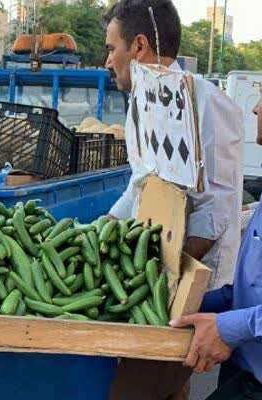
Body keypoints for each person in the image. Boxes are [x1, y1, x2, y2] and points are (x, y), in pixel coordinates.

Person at [102, 1, 244, 399]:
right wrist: (103, 231)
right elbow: (140, 184)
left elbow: (214, 216)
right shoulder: (141, 105)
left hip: (198, 282)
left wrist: (157, 273)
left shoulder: (207, 104)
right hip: (161, 271)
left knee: (139, 390)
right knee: (165, 389)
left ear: (140, 46)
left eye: (113, 48)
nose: (108, 61)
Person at [169, 95, 262, 399]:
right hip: (243, 365)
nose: (255, 107)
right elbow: (252, 287)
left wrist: (230, 328)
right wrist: (187, 304)